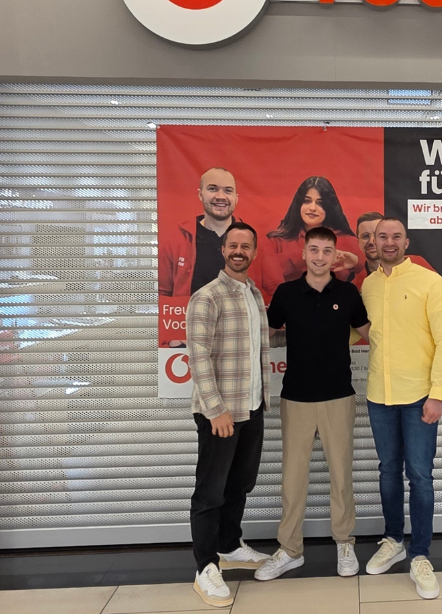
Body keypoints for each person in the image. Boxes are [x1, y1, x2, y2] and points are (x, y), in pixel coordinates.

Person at [254, 227, 372, 581]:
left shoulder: (348, 293)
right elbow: (264, 335)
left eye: (327, 251)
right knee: (292, 479)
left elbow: (372, 334)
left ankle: (344, 543)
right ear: (304, 253)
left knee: (341, 475)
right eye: (314, 250)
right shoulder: (287, 293)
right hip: (296, 398)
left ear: (335, 256)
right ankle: (290, 550)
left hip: (339, 396)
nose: (320, 257)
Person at [360, 217, 442, 600]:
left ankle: (420, 555)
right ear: (373, 241)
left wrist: (437, 394)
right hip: (379, 396)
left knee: (419, 475)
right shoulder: (368, 285)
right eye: (381, 236)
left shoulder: (430, 282)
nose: (388, 242)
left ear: (406, 242)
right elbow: (363, 332)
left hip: (419, 397)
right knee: (387, 471)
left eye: (395, 236)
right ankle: (393, 540)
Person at [186, 222, 271, 608]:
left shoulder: (254, 294)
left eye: (246, 246)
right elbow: (198, 356)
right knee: (210, 492)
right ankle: (205, 567)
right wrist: (216, 409)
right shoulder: (207, 296)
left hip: (251, 408)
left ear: (254, 252)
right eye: (233, 245)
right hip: (220, 413)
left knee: (240, 484)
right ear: (223, 250)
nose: (239, 251)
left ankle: (229, 546)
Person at [159, 167, 260, 298]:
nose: (220, 196)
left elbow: (267, 292)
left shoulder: (253, 240)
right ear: (200, 195)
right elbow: (162, 294)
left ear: (236, 198)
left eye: (228, 191)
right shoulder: (177, 240)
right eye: (212, 189)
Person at [261, 176, 364, 301]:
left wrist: (357, 265)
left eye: (320, 203)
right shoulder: (275, 242)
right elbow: (274, 289)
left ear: (329, 207)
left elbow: (370, 282)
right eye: (307, 201)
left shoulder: (350, 242)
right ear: (298, 204)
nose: (312, 208)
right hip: (290, 308)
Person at [352, 211, 434, 289]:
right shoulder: (358, 285)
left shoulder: (418, 263)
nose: (371, 241)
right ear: (358, 242)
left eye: (378, 235)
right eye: (365, 236)